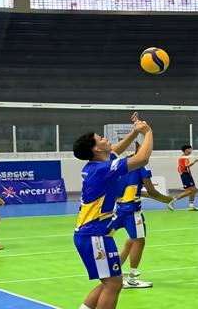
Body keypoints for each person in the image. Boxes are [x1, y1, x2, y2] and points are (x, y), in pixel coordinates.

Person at [73, 113, 153, 309]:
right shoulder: (102, 170)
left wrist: (135, 132)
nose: (106, 139)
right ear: (96, 148)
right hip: (95, 235)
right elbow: (142, 158)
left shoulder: (97, 164)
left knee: (108, 282)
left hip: (90, 233)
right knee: (114, 284)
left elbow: (116, 150)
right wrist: (147, 132)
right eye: (101, 138)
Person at [110, 142, 176, 289]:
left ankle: (114, 272)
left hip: (117, 208)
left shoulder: (123, 163)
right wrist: (168, 199)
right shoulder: (142, 165)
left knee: (131, 241)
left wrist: (163, 199)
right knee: (140, 241)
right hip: (131, 211)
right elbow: (151, 191)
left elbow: (136, 190)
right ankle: (132, 278)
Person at [177, 144, 198, 211]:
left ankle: (191, 205)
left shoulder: (181, 157)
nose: (191, 151)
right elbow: (187, 165)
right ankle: (173, 199)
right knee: (191, 190)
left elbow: (180, 168)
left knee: (193, 190)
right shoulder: (185, 158)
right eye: (190, 149)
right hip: (185, 175)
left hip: (186, 175)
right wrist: (195, 161)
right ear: (186, 150)